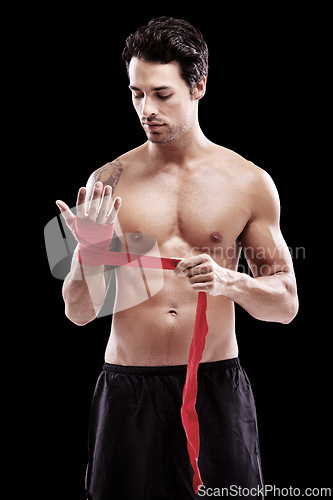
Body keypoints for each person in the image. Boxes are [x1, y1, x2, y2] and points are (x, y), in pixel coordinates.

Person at [56, 17, 298, 500]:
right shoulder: (108, 180)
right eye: (136, 94)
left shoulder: (249, 182)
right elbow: (79, 312)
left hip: (216, 387)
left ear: (199, 86)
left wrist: (229, 282)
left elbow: (286, 304)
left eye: (161, 94)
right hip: (128, 389)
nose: (147, 109)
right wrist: (89, 248)